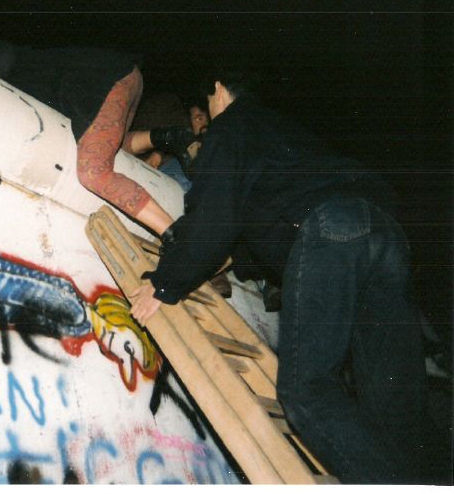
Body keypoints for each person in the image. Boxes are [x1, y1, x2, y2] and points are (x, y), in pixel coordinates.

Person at [128, 67, 445, 484]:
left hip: (331, 232)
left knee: (307, 391)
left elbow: (215, 214)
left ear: (220, 90)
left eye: (207, 103)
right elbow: (254, 229)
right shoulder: (278, 133)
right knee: (392, 404)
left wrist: (166, 284)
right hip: (385, 237)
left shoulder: (232, 125)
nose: (207, 112)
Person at [0, 41, 174, 236]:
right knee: (116, 151)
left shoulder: (3, 66)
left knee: (94, 171)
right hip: (126, 75)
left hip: (103, 81)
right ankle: (167, 137)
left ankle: (176, 236)